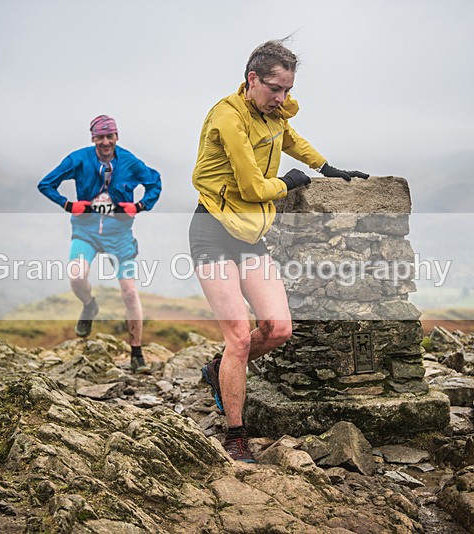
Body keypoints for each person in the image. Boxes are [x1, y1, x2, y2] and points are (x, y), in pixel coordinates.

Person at [190, 39, 369, 462]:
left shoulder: (272, 113)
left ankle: (220, 370)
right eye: (275, 89)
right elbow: (253, 188)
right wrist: (289, 183)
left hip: (250, 235)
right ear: (252, 79)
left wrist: (325, 167)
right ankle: (236, 436)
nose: (282, 98)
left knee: (279, 329)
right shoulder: (227, 117)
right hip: (212, 231)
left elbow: (289, 137)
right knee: (237, 338)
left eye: (288, 89)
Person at [38, 115, 162, 372]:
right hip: (86, 231)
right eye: (100, 137)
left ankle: (136, 352)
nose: (105, 142)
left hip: (120, 235)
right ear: (92, 138)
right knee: (76, 276)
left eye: (110, 136)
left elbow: (154, 182)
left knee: (129, 291)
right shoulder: (78, 159)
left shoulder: (129, 162)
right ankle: (89, 305)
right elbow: (46, 183)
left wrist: (139, 206)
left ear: (116, 136)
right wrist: (68, 204)